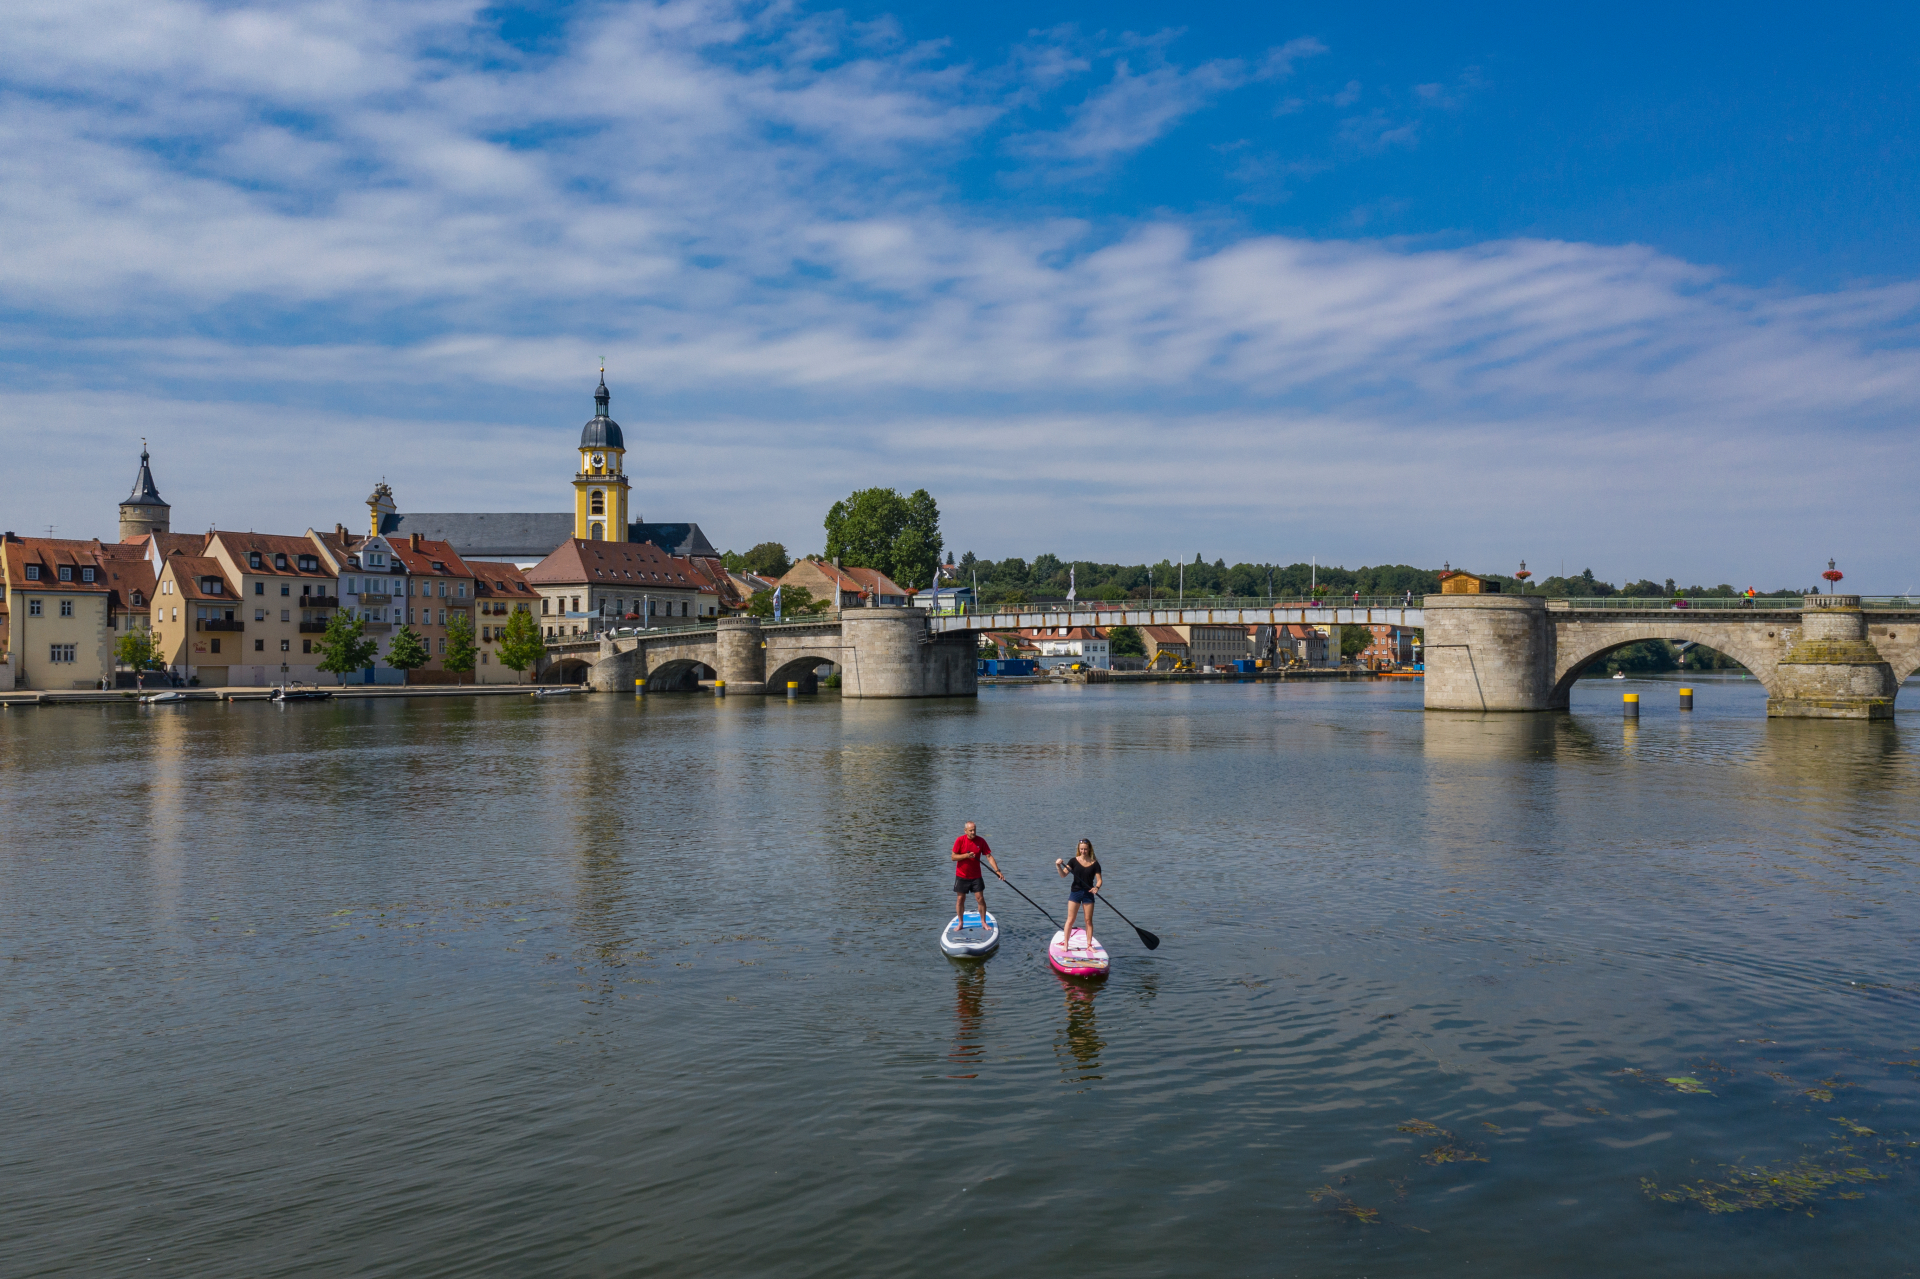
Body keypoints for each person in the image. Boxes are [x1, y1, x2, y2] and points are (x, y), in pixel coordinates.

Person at [951, 821, 1003, 927]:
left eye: (974, 830)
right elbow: (953, 857)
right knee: (960, 899)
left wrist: (997, 871)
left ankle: (983, 922)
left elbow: (989, 856)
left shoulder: (981, 841)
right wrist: (966, 856)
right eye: (970, 830)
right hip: (962, 875)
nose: (973, 832)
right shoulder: (960, 840)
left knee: (980, 898)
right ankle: (960, 922)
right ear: (965, 831)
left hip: (976, 876)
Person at [1054, 839, 1102, 950]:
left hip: (1088, 894)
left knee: (1088, 920)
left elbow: (1099, 880)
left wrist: (1096, 888)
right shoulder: (1073, 861)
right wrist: (1058, 866)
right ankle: (1066, 944)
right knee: (1070, 919)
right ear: (1078, 849)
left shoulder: (1095, 864)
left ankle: (1089, 945)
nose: (1083, 851)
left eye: (1085, 849)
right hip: (1075, 892)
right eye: (1081, 849)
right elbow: (1063, 875)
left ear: (1089, 849)